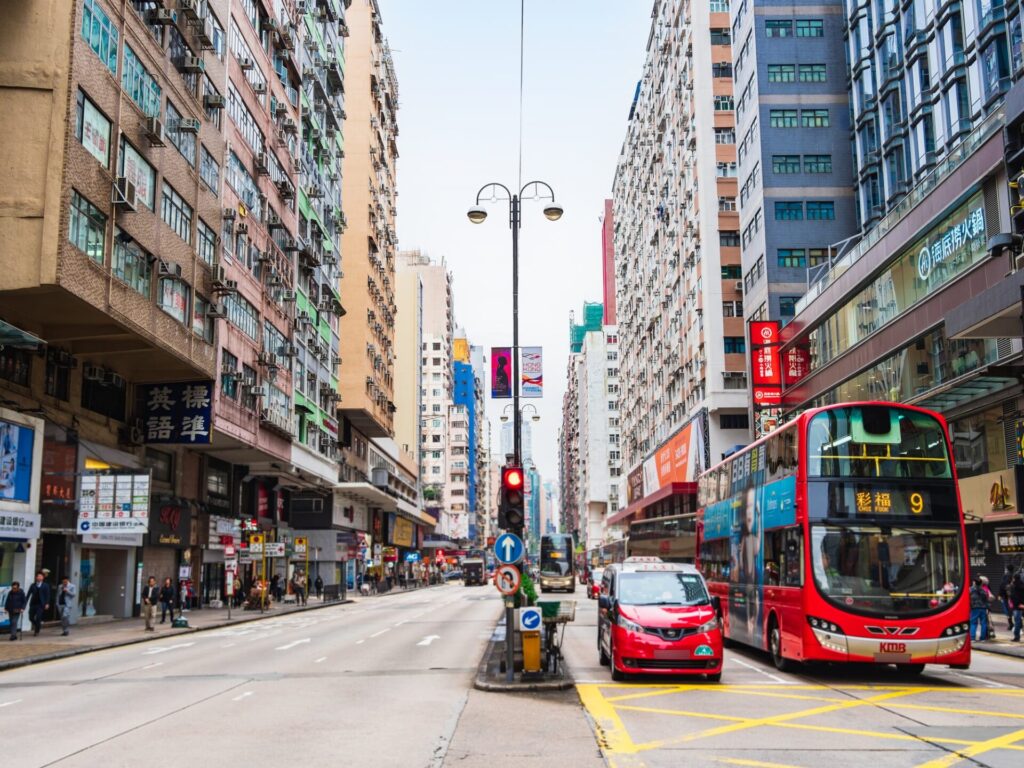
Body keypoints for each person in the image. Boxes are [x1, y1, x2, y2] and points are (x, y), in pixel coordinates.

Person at [26, 570, 51, 637]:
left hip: (41, 604)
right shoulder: (33, 585)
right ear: (36, 577)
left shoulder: (45, 585)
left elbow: (47, 595)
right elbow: (28, 594)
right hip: (33, 603)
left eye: (41, 576)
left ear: (43, 578)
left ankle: (36, 631)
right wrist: (24, 603)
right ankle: (37, 625)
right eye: (38, 576)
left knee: (38, 617)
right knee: (31, 617)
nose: (39, 577)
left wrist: (47, 603)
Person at [969, 577, 989, 642]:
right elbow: (986, 599)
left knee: (973, 623)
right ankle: (983, 638)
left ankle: (972, 638)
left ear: (974, 583)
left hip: (974, 608)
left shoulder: (970, 590)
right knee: (983, 623)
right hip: (983, 608)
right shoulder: (983, 590)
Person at [999, 567, 1014, 631]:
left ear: (1007, 569)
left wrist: (1000, 594)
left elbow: (1002, 585)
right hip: (1013, 596)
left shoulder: (1005, 576)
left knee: (1007, 610)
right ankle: (1014, 624)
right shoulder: (1013, 575)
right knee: (1013, 609)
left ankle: (1011, 624)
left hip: (1005, 596)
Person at [1012, 571, 1024, 643]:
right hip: (1021, 604)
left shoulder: (1015, 586)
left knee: (1017, 621)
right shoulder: (1022, 585)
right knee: (1018, 621)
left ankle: (1016, 637)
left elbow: (1014, 597)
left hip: (1017, 606)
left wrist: (1018, 604)